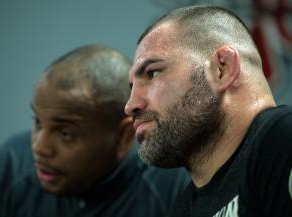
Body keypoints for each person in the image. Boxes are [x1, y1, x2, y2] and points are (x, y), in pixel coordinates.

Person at [0, 45, 190, 217]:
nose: (39, 148)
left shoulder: (172, 190)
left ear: (124, 136)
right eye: (38, 122)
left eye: (66, 134)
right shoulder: (10, 166)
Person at [125, 5, 292, 217]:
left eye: (153, 73)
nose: (130, 105)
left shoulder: (282, 140)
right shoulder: (183, 207)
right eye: (131, 88)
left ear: (222, 68)